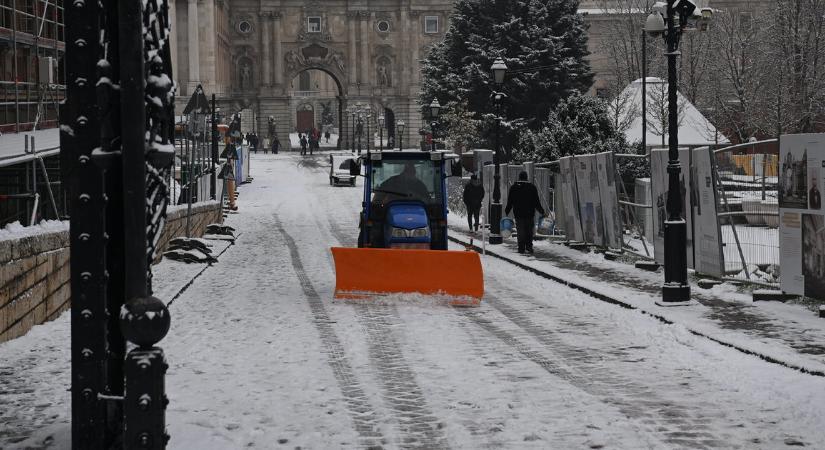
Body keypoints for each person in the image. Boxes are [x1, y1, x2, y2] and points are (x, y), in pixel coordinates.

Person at [505, 171, 546, 254]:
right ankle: (529, 246)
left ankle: (521, 248)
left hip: (518, 214)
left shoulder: (513, 188)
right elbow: (536, 202)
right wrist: (542, 212)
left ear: (519, 177)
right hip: (529, 213)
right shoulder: (532, 187)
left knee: (520, 231)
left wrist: (506, 211)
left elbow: (510, 201)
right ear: (526, 177)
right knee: (529, 231)